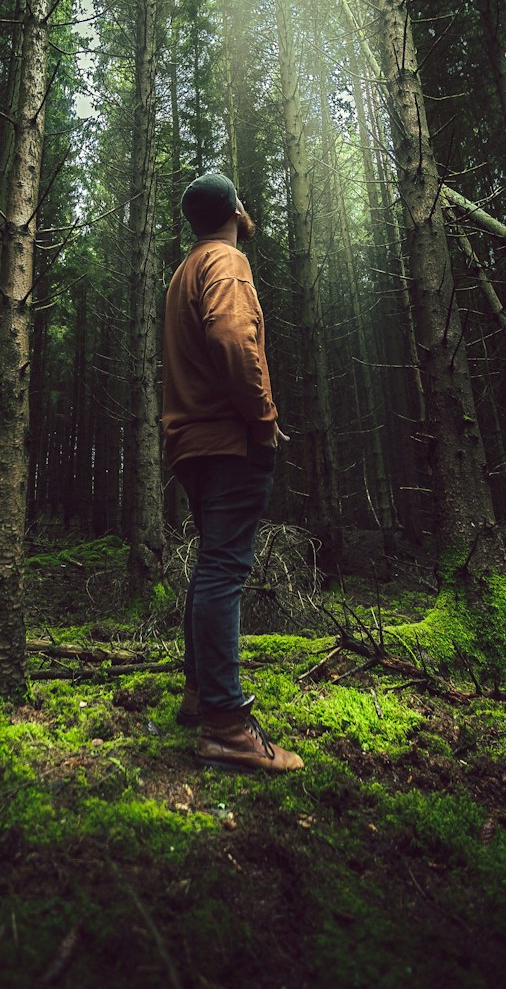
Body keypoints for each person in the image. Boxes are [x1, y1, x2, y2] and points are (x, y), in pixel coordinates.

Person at [162, 172, 303, 773]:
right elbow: (232, 335)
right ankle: (225, 724)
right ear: (236, 210)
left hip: (191, 443)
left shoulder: (184, 270)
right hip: (228, 439)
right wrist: (264, 416)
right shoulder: (225, 259)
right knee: (224, 568)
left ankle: (199, 696)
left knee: (210, 565)